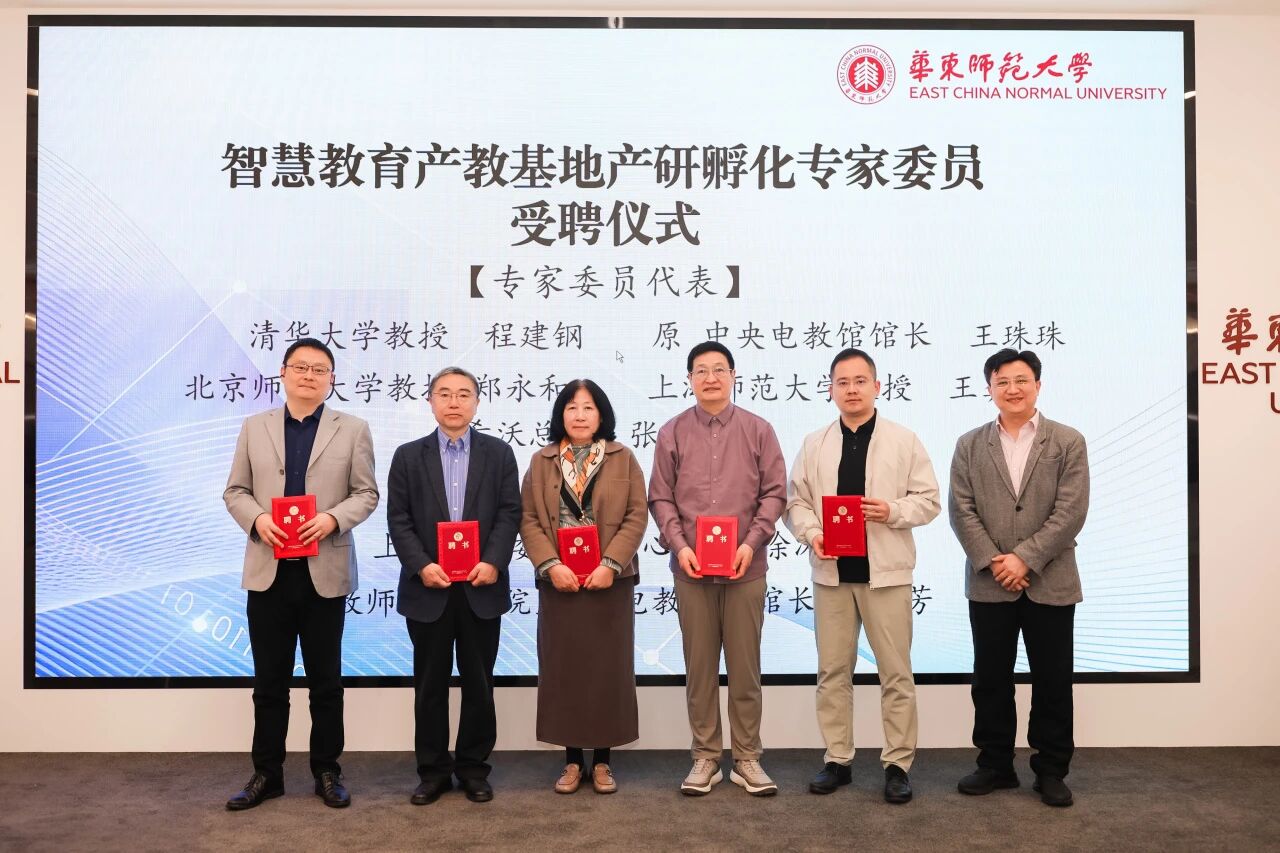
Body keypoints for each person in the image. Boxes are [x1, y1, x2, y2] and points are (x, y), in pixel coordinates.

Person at [222, 337, 379, 810]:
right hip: (269, 572)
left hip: (323, 572)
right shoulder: (254, 426)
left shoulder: (353, 429)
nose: (309, 375)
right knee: (269, 683)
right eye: (301, 367)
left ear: (331, 379)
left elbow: (366, 494)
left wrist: (332, 518)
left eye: (319, 369)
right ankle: (266, 774)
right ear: (284, 373)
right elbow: (235, 491)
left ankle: (327, 771)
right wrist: (257, 519)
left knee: (326, 683)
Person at [784, 348, 940, 804]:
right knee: (832, 672)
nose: (851, 389)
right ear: (830, 389)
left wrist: (892, 510)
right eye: (842, 382)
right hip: (831, 575)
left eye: (860, 381)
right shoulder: (815, 443)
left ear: (877, 386)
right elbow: (796, 502)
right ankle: (838, 759)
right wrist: (812, 533)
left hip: (886, 575)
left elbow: (929, 500)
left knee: (896, 673)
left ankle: (898, 764)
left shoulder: (903, 440)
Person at [949, 348, 1089, 808]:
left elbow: (1071, 511)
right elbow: (961, 510)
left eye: (1021, 380)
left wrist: (1024, 559)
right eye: (1002, 382)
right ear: (989, 389)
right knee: (990, 679)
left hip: (1051, 580)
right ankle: (995, 765)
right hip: (989, 583)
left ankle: (1051, 770)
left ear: (1038, 385)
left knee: (1053, 679)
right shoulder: (969, 444)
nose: (1012, 389)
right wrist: (995, 562)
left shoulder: (1067, 441)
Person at [648, 341, 787, 796]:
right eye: (701, 370)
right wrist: (680, 545)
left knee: (746, 668)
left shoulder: (759, 430)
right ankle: (706, 756)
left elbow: (774, 493)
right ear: (689, 379)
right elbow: (660, 496)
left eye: (719, 369)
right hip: (691, 570)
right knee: (700, 668)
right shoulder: (671, 432)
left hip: (746, 567)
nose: (711, 378)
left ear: (733, 376)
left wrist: (751, 543)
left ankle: (747, 757)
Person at [386, 366, 521, 805]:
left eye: (464, 394)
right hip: (429, 589)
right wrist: (421, 565)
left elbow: (510, 513)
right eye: (444, 393)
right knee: (430, 686)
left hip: (482, 587)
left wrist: (493, 561)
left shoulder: (499, 454)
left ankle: (474, 769)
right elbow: (398, 519)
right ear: (430, 401)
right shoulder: (408, 456)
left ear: (477, 402)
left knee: (479, 684)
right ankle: (433, 773)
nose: (454, 402)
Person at [519, 380, 647, 794]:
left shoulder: (623, 458)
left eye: (588, 407)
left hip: (609, 583)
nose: (579, 415)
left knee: (607, 670)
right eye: (571, 407)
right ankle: (573, 761)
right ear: (561, 414)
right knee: (565, 671)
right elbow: (528, 519)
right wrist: (550, 565)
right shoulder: (541, 460)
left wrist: (611, 564)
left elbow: (637, 515)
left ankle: (604, 761)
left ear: (601, 414)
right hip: (560, 583)